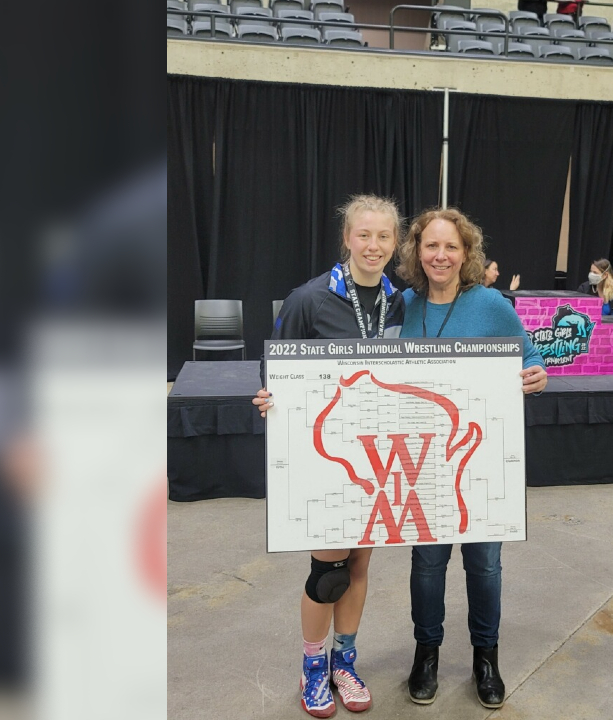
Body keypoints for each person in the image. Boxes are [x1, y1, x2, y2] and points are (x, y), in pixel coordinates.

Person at [252, 194, 405, 717]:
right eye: (364, 235)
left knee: (360, 563)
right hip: (325, 456)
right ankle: (312, 666)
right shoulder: (310, 299)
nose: (373, 245)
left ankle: (345, 661)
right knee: (329, 570)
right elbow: (275, 370)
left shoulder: (398, 302)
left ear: (395, 242)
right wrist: (269, 396)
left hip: (377, 457)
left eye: (383, 236)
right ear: (347, 238)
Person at [394, 207, 548, 709]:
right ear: (418, 251)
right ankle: (427, 654)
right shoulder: (404, 305)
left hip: (481, 461)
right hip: (421, 462)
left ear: (466, 253)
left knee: (484, 564)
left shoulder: (491, 305)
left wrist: (538, 375)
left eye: (451, 246)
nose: (440, 255)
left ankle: (486, 657)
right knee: (427, 563)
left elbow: (530, 357)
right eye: (431, 245)